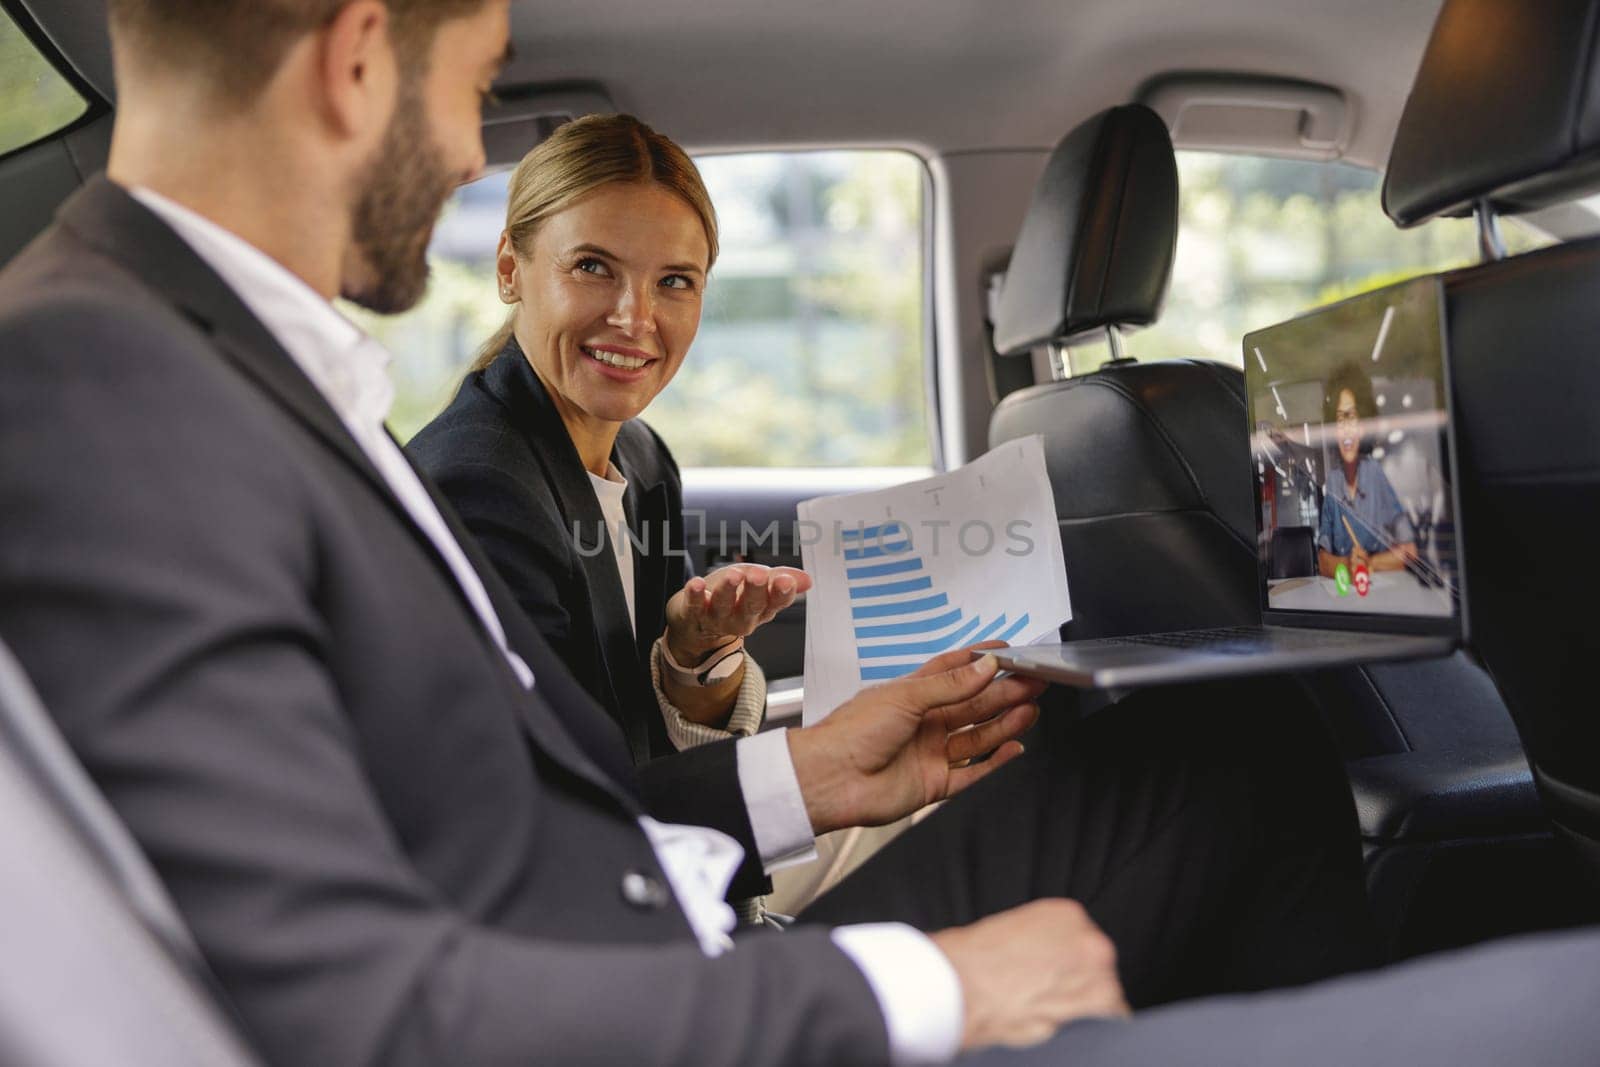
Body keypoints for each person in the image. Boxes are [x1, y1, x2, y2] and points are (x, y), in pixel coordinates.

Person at [0, 2, 1594, 1066]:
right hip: (677, 991)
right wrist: (936, 981)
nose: (474, 141)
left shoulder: (227, 372)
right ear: (360, 57)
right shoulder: (107, 386)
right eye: (476, 81)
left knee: (1230, 752)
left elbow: (482, 781)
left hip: (658, 915)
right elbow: (352, 997)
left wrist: (815, 763)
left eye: (678, 279)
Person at [409, 115, 799, 764]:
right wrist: (815, 778)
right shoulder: (480, 488)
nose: (635, 319)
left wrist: (693, 654)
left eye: (674, 281)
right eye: (593, 267)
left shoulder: (642, 458)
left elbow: (658, 735)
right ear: (511, 269)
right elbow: (562, 788)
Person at [1316, 360, 1419, 580]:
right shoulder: (1333, 482)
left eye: (1352, 417)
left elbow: (1409, 551)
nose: (1346, 429)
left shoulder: (1375, 473)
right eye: (1339, 419)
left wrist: (1370, 562)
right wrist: (1347, 564)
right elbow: (1323, 561)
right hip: (1346, 598)